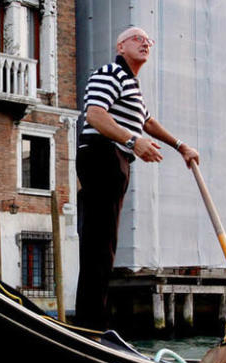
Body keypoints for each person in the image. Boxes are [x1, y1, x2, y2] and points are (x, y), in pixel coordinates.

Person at [75, 26, 200, 329]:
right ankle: (91, 327)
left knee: (105, 245)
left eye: (148, 41)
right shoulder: (109, 73)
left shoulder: (132, 86)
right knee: (99, 246)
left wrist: (180, 146)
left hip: (115, 160)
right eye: (137, 39)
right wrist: (133, 141)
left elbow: (148, 121)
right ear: (121, 46)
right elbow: (94, 115)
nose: (146, 43)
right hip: (102, 155)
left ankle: (94, 324)